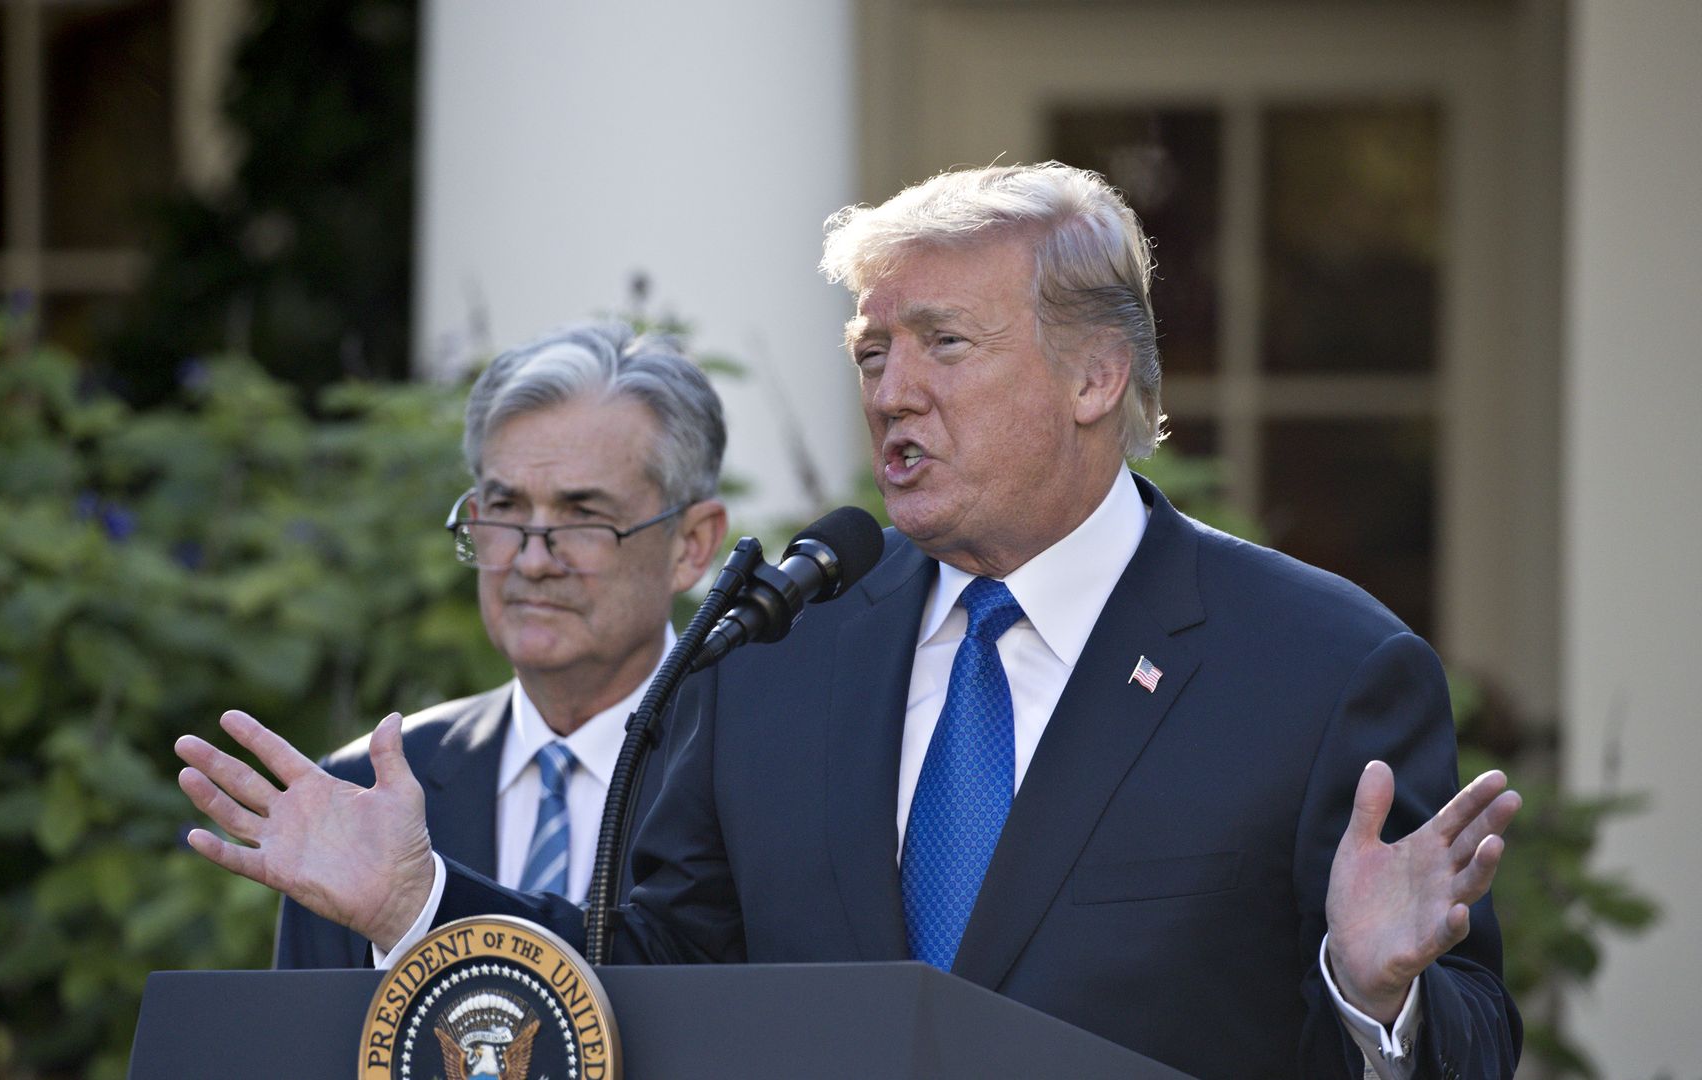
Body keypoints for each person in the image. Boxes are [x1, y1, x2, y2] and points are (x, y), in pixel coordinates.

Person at [177, 165, 1522, 1078]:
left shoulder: (1321, 669)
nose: (892, 393)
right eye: (872, 353)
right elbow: (648, 990)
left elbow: (1474, 1039)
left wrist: (1375, 991)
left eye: (945, 344)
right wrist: (422, 903)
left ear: (1094, 375)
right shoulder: (780, 648)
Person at [259, 322, 729, 969]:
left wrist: (418, 908)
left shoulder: (749, 781)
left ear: (692, 545)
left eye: (582, 516)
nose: (532, 559)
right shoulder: (362, 796)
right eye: (506, 510)